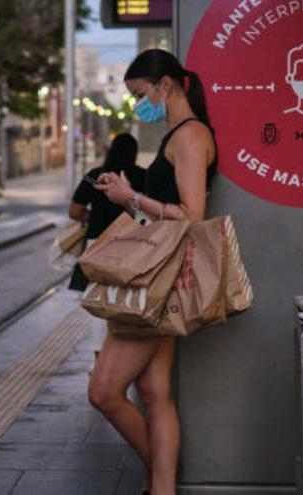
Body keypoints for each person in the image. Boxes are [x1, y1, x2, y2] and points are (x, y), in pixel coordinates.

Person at [89, 48, 217, 495]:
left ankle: (164, 476)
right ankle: (161, 487)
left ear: (166, 86)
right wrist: (126, 190)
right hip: (164, 276)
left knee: (103, 393)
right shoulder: (178, 134)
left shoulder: (189, 136)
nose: (138, 105)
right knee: (155, 391)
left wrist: (132, 200)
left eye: (141, 94)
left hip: (157, 282)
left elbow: (192, 215)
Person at [67, 133, 145, 291]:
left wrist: (93, 216)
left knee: (94, 297)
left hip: (96, 243)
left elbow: (74, 212)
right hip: (132, 245)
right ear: (135, 154)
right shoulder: (143, 176)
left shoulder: (94, 177)